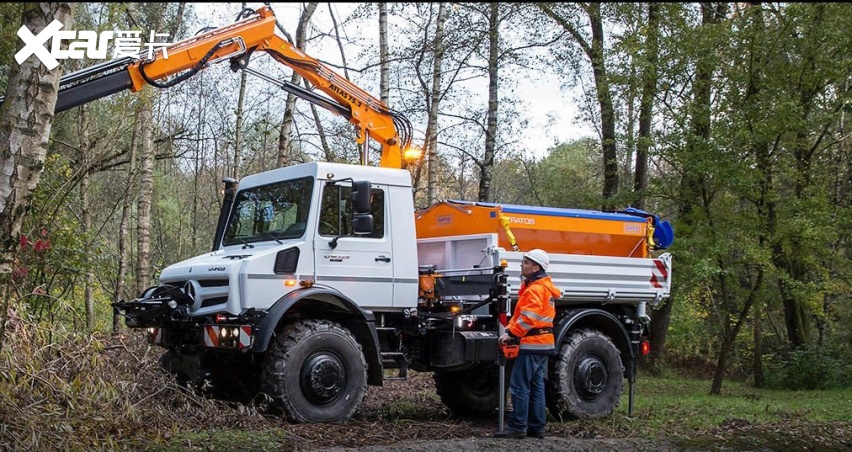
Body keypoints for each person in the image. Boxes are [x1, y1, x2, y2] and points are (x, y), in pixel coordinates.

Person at [492, 248, 560, 439]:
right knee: (536, 385)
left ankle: (517, 426)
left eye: (526, 262)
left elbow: (528, 318)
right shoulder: (542, 287)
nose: (522, 265)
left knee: (519, 385)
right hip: (543, 343)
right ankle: (536, 427)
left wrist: (511, 333)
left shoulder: (535, 289)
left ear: (536, 267)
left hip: (532, 343)